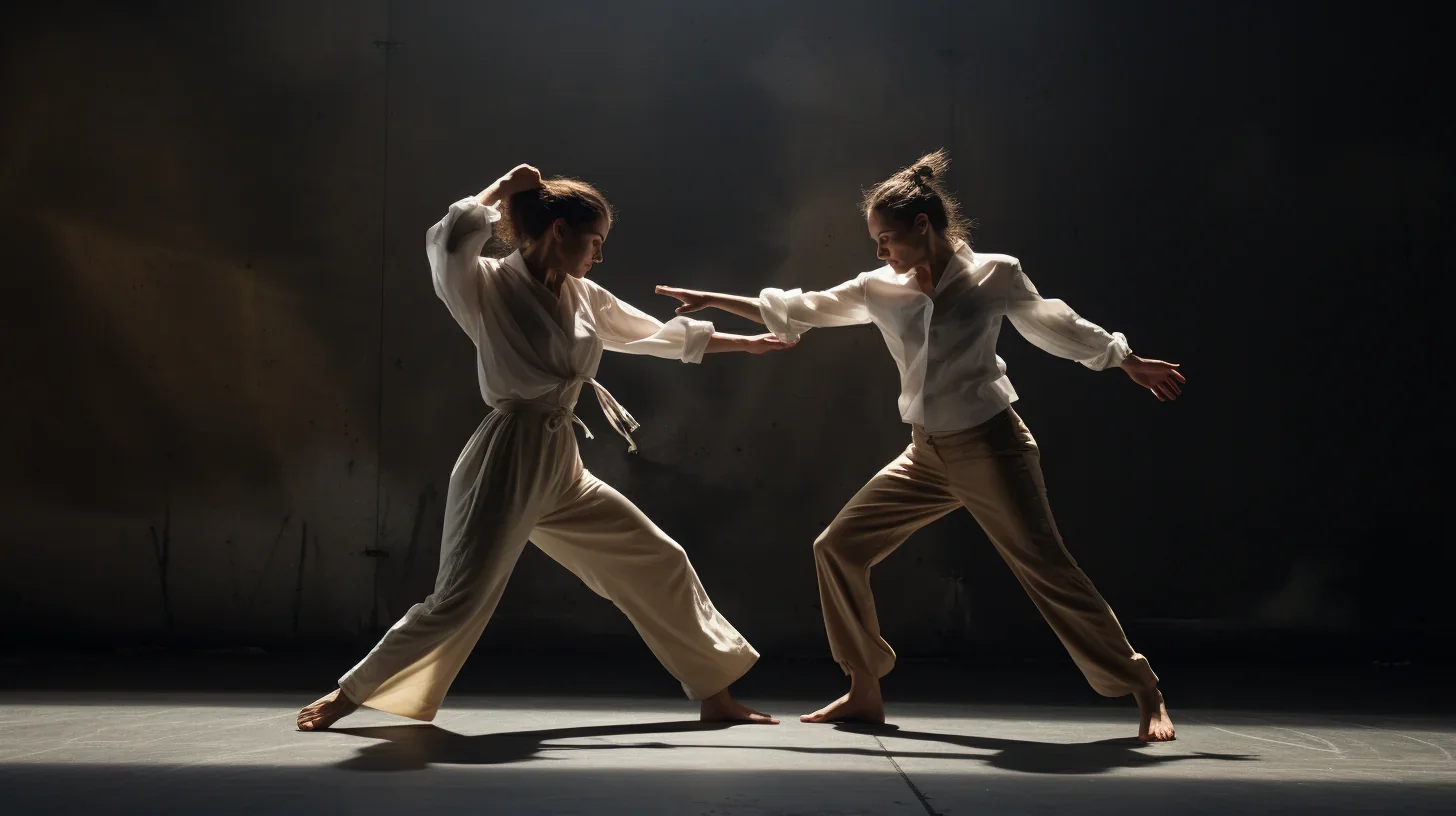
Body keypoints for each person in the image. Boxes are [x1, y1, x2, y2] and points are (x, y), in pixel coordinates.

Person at [656, 150, 1183, 741]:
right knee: (838, 548)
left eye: (887, 239)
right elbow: (801, 309)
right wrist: (714, 301)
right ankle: (864, 689)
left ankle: (1143, 687)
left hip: (992, 447)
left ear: (923, 226)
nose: (880, 252)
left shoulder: (994, 274)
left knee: (1047, 569)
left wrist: (1124, 360)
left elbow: (1055, 323)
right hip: (925, 453)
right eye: (876, 241)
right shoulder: (879, 289)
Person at [298, 164, 791, 731]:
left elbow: (652, 334)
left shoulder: (583, 295)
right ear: (559, 230)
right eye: (595, 241)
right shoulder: (482, 282)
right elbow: (451, 233)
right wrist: (505, 187)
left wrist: (747, 343)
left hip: (561, 460)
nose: (599, 256)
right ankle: (349, 694)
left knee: (660, 560)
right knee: (461, 596)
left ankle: (716, 695)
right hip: (507, 456)